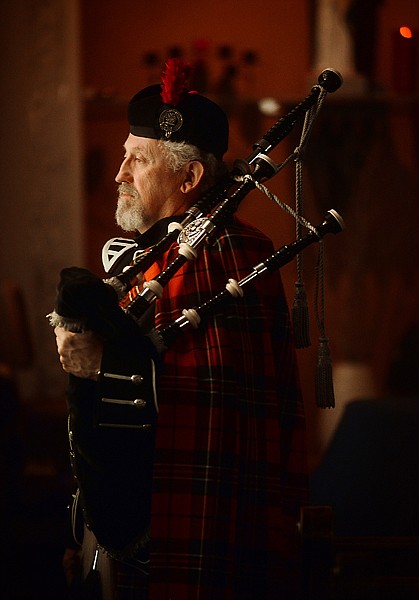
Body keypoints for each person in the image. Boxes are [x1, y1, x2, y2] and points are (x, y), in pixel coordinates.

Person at [54, 59, 308, 599]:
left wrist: (99, 364)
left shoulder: (226, 251)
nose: (119, 173)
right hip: (136, 529)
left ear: (190, 178)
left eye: (137, 159)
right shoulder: (157, 251)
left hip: (191, 532)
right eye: (124, 155)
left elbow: (209, 405)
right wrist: (93, 521)